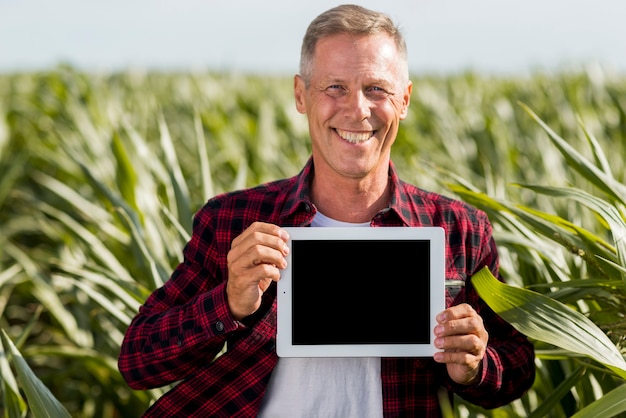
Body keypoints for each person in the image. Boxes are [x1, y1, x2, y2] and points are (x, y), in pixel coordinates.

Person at [118, 4, 535, 417]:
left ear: (404, 100)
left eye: (377, 88)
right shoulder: (234, 220)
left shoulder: (458, 230)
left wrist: (476, 367)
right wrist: (228, 303)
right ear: (301, 95)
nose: (357, 110)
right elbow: (138, 362)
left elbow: (516, 367)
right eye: (334, 87)